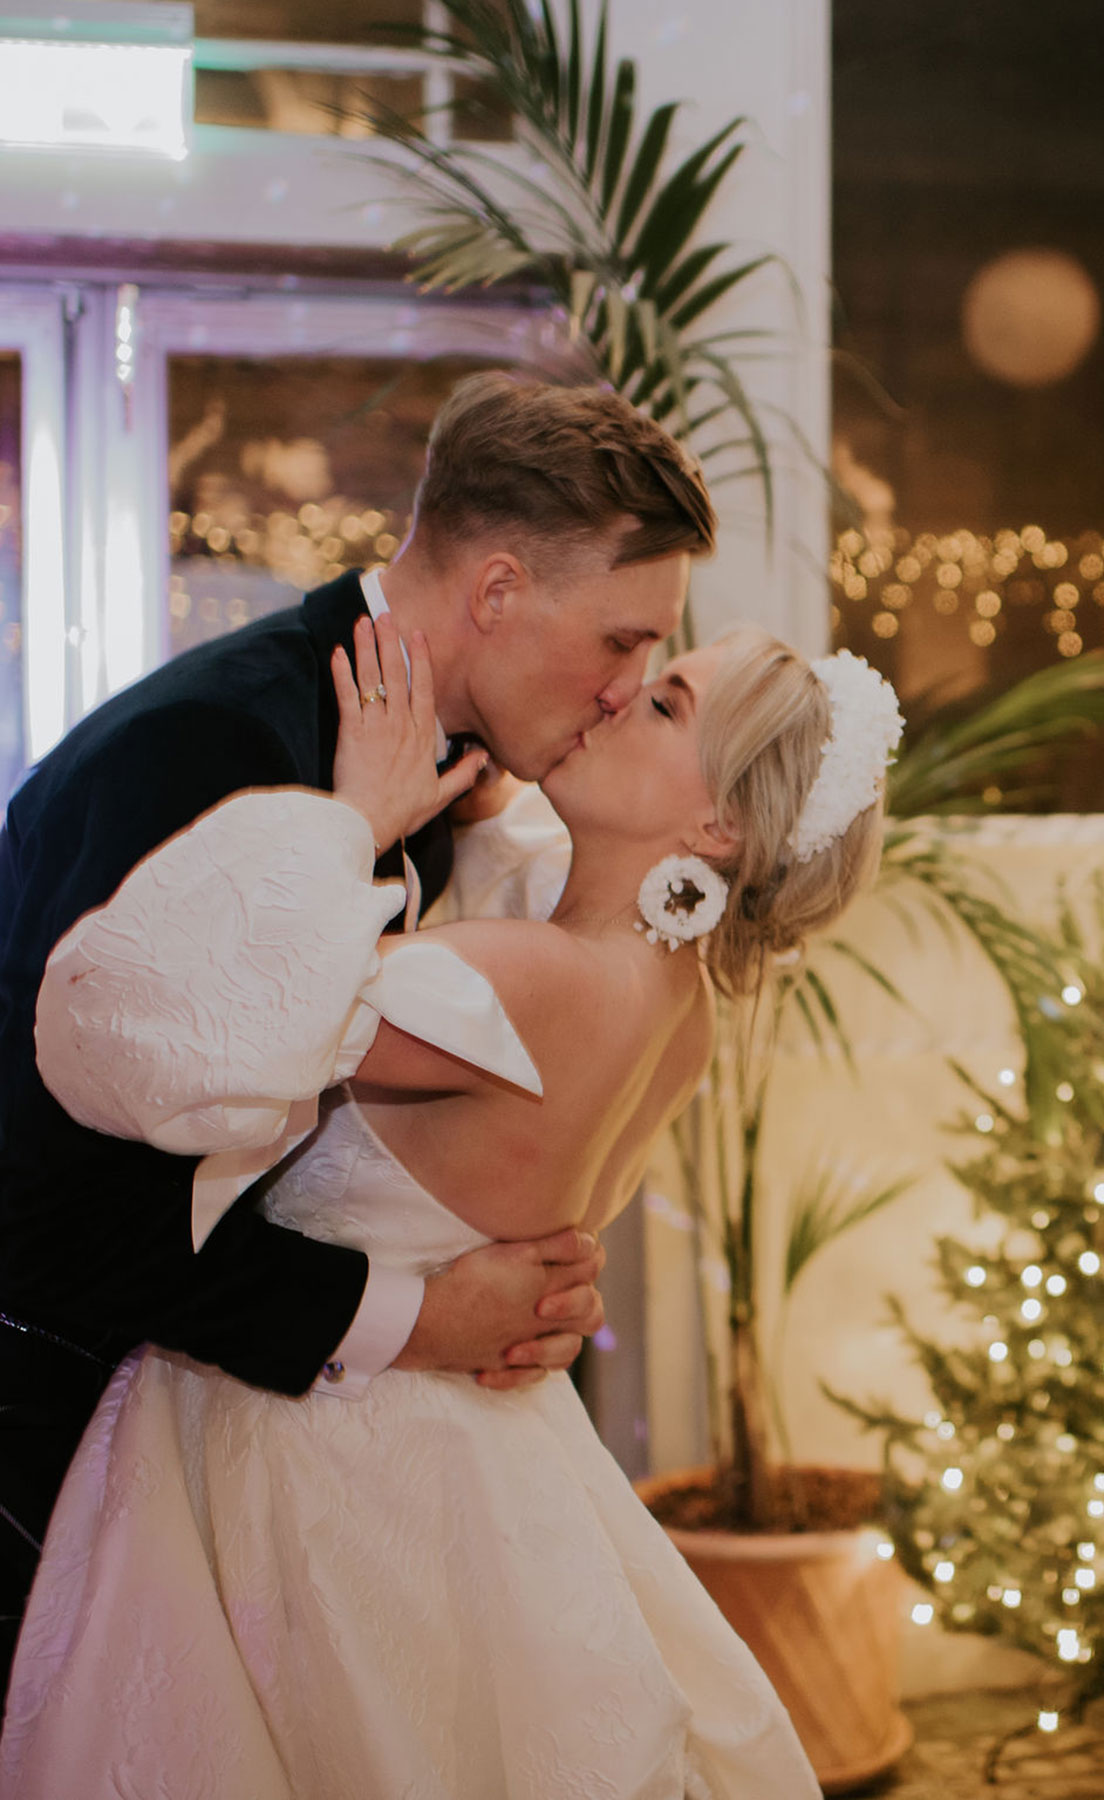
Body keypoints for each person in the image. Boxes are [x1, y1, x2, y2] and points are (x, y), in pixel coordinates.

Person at [0, 622, 902, 1797]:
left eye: (669, 704)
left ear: (718, 826)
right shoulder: (674, 1006)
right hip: (467, 1453)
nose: (622, 695)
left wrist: (354, 822)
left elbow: (206, 1021)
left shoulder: (528, 981)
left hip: (316, 1461)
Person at [0, 370, 717, 1693]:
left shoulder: (433, 759)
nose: (630, 688)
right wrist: (415, 1314)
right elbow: (57, 1217)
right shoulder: (217, 743)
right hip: (42, 1461)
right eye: (623, 641)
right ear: (498, 592)